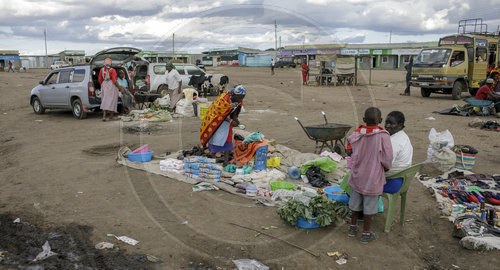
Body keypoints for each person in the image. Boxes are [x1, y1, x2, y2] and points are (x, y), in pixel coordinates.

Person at [346, 107, 393, 243]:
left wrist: (352, 154)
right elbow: (387, 157)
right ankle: (366, 233)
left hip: (357, 175)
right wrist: (386, 168)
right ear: (380, 120)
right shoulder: (383, 136)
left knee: (355, 203)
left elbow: (349, 145)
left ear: (364, 120)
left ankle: (352, 227)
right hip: (372, 177)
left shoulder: (357, 133)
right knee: (370, 206)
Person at [200, 85, 246, 166]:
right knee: (216, 139)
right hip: (216, 120)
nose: (241, 99)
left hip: (227, 121)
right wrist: (230, 121)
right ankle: (213, 160)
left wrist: (236, 121)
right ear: (234, 95)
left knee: (228, 139)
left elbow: (234, 114)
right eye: (240, 97)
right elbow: (217, 114)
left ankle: (226, 161)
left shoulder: (239, 101)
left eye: (242, 97)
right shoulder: (223, 100)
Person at [384, 111, 413, 175]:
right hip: (402, 175)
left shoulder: (394, 141)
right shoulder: (403, 135)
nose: (387, 126)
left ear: (400, 125)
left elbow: (386, 167)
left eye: (391, 123)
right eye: (386, 122)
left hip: (392, 177)